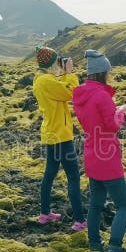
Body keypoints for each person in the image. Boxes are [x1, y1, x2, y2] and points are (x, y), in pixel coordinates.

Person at [72, 49, 126, 252]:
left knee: (97, 203)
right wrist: (121, 113)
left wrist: (118, 109)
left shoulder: (81, 95)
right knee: (124, 205)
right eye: (108, 72)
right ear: (101, 73)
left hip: (92, 152)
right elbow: (112, 125)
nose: (110, 75)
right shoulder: (102, 96)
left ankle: (94, 243)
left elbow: (98, 119)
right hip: (107, 154)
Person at [32, 45, 87, 231]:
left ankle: (45, 213)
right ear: (50, 62)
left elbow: (60, 90)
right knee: (73, 176)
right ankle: (80, 221)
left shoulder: (41, 79)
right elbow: (73, 94)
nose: (58, 63)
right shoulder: (47, 80)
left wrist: (63, 74)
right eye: (56, 60)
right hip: (61, 136)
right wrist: (69, 73)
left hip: (51, 133)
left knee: (50, 174)